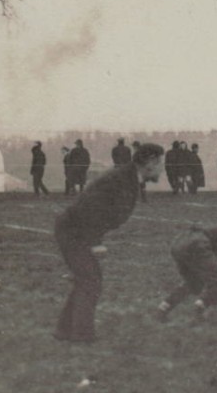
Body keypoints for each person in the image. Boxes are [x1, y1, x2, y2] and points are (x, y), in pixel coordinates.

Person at [53, 142, 166, 342]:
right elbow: (92, 208)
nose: (162, 169)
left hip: (77, 230)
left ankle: (65, 330)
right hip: (74, 231)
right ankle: (81, 336)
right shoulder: (122, 179)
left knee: (88, 279)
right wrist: (94, 241)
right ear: (150, 162)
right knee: (90, 281)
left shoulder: (129, 178)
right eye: (159, 163)